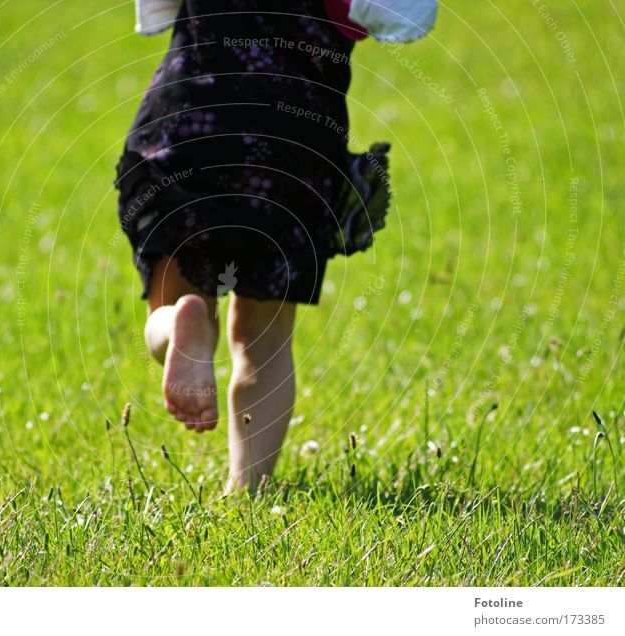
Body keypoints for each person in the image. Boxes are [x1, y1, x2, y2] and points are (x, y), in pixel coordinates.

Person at [115, 0, 430, 491]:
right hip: (291, 148)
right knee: (263, 342)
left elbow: (154, 11)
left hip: (188, 129)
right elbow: (406, 15)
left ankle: (180, 321)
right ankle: (248, 490)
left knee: (170, 298)